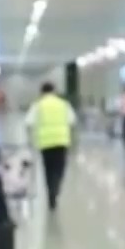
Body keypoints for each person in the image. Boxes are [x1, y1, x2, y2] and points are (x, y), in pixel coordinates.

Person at [24, 82, 76, 210]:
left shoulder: (38, 105)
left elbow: (28, 122)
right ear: (54, 91)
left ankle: (51, 194)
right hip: (61, 142)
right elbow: (72, 121)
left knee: (48, 170)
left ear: (42, 92)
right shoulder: (63, 104)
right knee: (59, 169)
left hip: (45, 143)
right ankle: (55, 190)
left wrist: (30, 140)